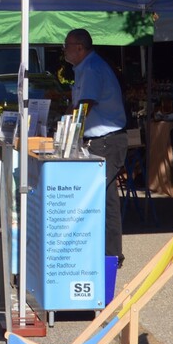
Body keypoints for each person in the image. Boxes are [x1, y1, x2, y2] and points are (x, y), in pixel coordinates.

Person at [62, 28, 128, 267]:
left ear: (80, 48)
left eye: (67, 45)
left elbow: (85, 105)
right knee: (106, 196)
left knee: (103, 196)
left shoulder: (91, 68)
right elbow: (78, 103)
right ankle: (109, 253)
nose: (64, 50)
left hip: (107, 141)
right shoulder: (85, 68)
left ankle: (110, 255)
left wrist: (68, 129)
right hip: (103, 140)